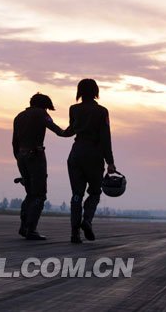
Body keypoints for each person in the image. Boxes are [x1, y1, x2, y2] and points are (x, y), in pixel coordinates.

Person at [63, 79, 117, 244]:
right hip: (94, 154)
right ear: (96, 91)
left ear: (79, 91)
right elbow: (105, 137)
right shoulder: (102, 111)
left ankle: (74, 233)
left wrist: (55, 130)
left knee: (77, 194)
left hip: (77, 152)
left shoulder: (74, 109)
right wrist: (110, 162)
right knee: (94, 192)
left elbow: (70, 131)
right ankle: (86, 220)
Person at [12, 93, 67, 240]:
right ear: (44, 106)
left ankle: (24, 226)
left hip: (21, 156)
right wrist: (75, 130)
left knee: (30, 193)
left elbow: (14, 142)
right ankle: (31, 229)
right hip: (35, 156)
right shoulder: (41, 114)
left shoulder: (19, 116)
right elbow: (58, 131)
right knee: (39, 195)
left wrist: (19, 158)